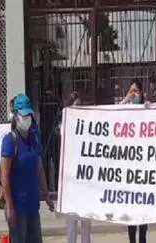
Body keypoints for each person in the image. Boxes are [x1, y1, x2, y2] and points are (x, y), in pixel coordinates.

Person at [0, 93, 54, 243]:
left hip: (32, 205)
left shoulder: (34, 138)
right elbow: (4, 176)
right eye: (24, 116)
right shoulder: (10, 141)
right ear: (16, 117)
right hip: (17, 207)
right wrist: (10, 206)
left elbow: (39, 168)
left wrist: (47, 195)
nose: (27, 119)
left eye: (29, 115)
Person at [120, 80, 149, 243]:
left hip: (144, 170)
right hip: (129, 171)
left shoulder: (146, 107)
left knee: (143, 212)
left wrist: (150, 108)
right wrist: (125, 100)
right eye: (131, 91)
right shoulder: (125, 110)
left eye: (136, 91)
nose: (133, 95)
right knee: (131, 212)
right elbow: (112, 115)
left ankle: (143, 239)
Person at [63, 91, 93, 243]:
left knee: (86, 222)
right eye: (76, 106)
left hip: (85, 180)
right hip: (71, 181)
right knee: (72, 223)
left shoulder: (88, 126)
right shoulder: (65, 126)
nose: (79, 109)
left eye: (81, 106)